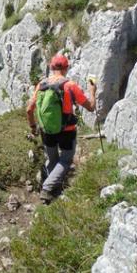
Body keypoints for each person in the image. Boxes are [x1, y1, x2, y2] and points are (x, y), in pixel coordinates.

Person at [26, 52, 96, 204]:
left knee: (52, 158)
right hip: (67, 131)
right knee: (65, 160)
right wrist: (92, 91)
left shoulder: (42, 85)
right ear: (66, 68)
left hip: (46, 131)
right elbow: (90, 107)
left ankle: (50, 187)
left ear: (51, 68)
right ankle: (47, 188)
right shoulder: (70, 86)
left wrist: (33, 127)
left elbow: (29, 109)